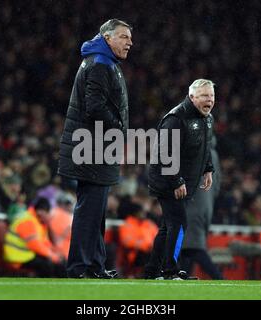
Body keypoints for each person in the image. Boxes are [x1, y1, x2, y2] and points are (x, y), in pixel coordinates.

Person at [58, 19, 132, 278]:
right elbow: (95, 106)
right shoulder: (101, 64)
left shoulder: (103, 61)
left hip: (95, 147)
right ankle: (80, 267)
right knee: (89, 211)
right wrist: (118, 127)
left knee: (96, 211)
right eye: (123, 37)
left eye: (130, 38)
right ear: (107, 37)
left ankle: (94, 266)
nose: (129, 42)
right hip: (93, 148)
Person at [145, 79, 215, 280]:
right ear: (192, 97)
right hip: (167, 181)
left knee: (168, 226)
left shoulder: (207, 119)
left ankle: (152, 271)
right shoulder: (176, 118)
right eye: (204, 96)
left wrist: (208, 169)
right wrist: (176, 180)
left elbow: (204, 146)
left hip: (185, 181)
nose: (209, 100)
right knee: (179, 223)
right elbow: (165, 153)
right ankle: (170, 271)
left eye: (211, 96)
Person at [178, 136, 224, 279]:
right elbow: (217, 184)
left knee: (194, 247)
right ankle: (184, 276)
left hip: (193, 204)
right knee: (187, 247)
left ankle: (219, 278)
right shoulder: (213, 153)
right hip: (205, 205)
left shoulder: (196, 150)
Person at [3, 197, 66, 277]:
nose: (49, 218)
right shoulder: (27, 221)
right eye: (48, 214)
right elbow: (35, 245)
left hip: (26, 255)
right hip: (17, 257)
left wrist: (55, 252)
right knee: (48, 265)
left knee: (61, 261)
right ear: (41, 212)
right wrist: (53, 256)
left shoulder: (37, 221)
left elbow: (43, 242)